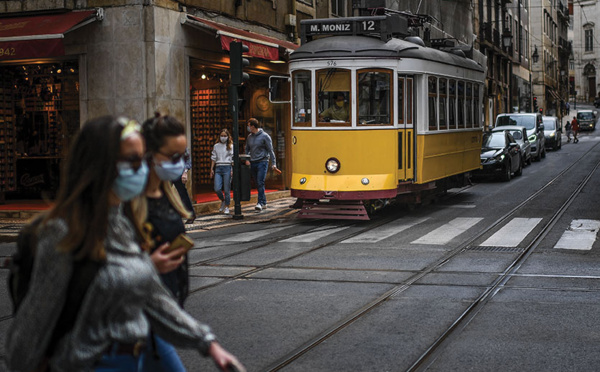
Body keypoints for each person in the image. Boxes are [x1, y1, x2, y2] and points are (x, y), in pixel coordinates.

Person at [5, 116, 244, 372]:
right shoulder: (63, 232)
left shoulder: (119, 225)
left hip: (134, 361)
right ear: (100, 164)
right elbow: (34, 324)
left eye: (142, 158)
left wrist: (209, 345)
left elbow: (154, 298)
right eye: (132, 160)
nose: (142, 168)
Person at [132, 113, 197, 371]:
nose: (179, 163)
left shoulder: (168, 194)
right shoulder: (129, 200)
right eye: (173, 157)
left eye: (183, 156)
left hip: (163, 308)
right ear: (148, 154)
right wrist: (148, 264)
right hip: (137, 314)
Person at [245, 118, 278, 211]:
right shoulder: (249, 137)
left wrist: (274, 163)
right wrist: (247, 158)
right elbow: (247, 148)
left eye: (248, 125)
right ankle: (264, 202)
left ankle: (259, 203)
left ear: (253, 126)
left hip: (262, 162)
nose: (248, 127)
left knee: (260, 182)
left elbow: (270, 150)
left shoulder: (265, 136)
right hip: (253, 162)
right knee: (258, 183)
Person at [210, 128, 234, 214]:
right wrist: (211, 169)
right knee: (217, 188)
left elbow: (232, 158)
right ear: (219, 136)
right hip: (218, 167)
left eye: (225, 136)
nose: (223, 137)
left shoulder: (230, 146)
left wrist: (232, 169)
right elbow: (213, 158)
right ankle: (223, 200)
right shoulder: (216, 146)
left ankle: (227, 206)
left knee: (227, 189)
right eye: (221, 136)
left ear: (228, 137)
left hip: (227, 167)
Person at [173, 147, 196, 224]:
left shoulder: (179, 142)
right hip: (166, 172)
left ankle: (191, 215)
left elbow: (187, 159)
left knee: (182, 193)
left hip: (178, 171)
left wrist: (185, 172)